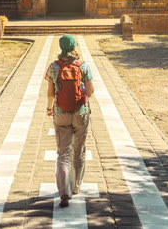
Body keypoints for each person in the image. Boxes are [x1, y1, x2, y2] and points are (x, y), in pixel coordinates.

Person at [45, 34, 95, 208]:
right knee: (79, 150)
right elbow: (90, 92)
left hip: (61, 113)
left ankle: (64, 192)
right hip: (80, 112)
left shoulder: (54, 67)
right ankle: (76, 186)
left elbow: (50, 92)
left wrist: (49, 108)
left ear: (61, 47)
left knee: (63, 152)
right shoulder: (83, 66)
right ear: (75, 47)